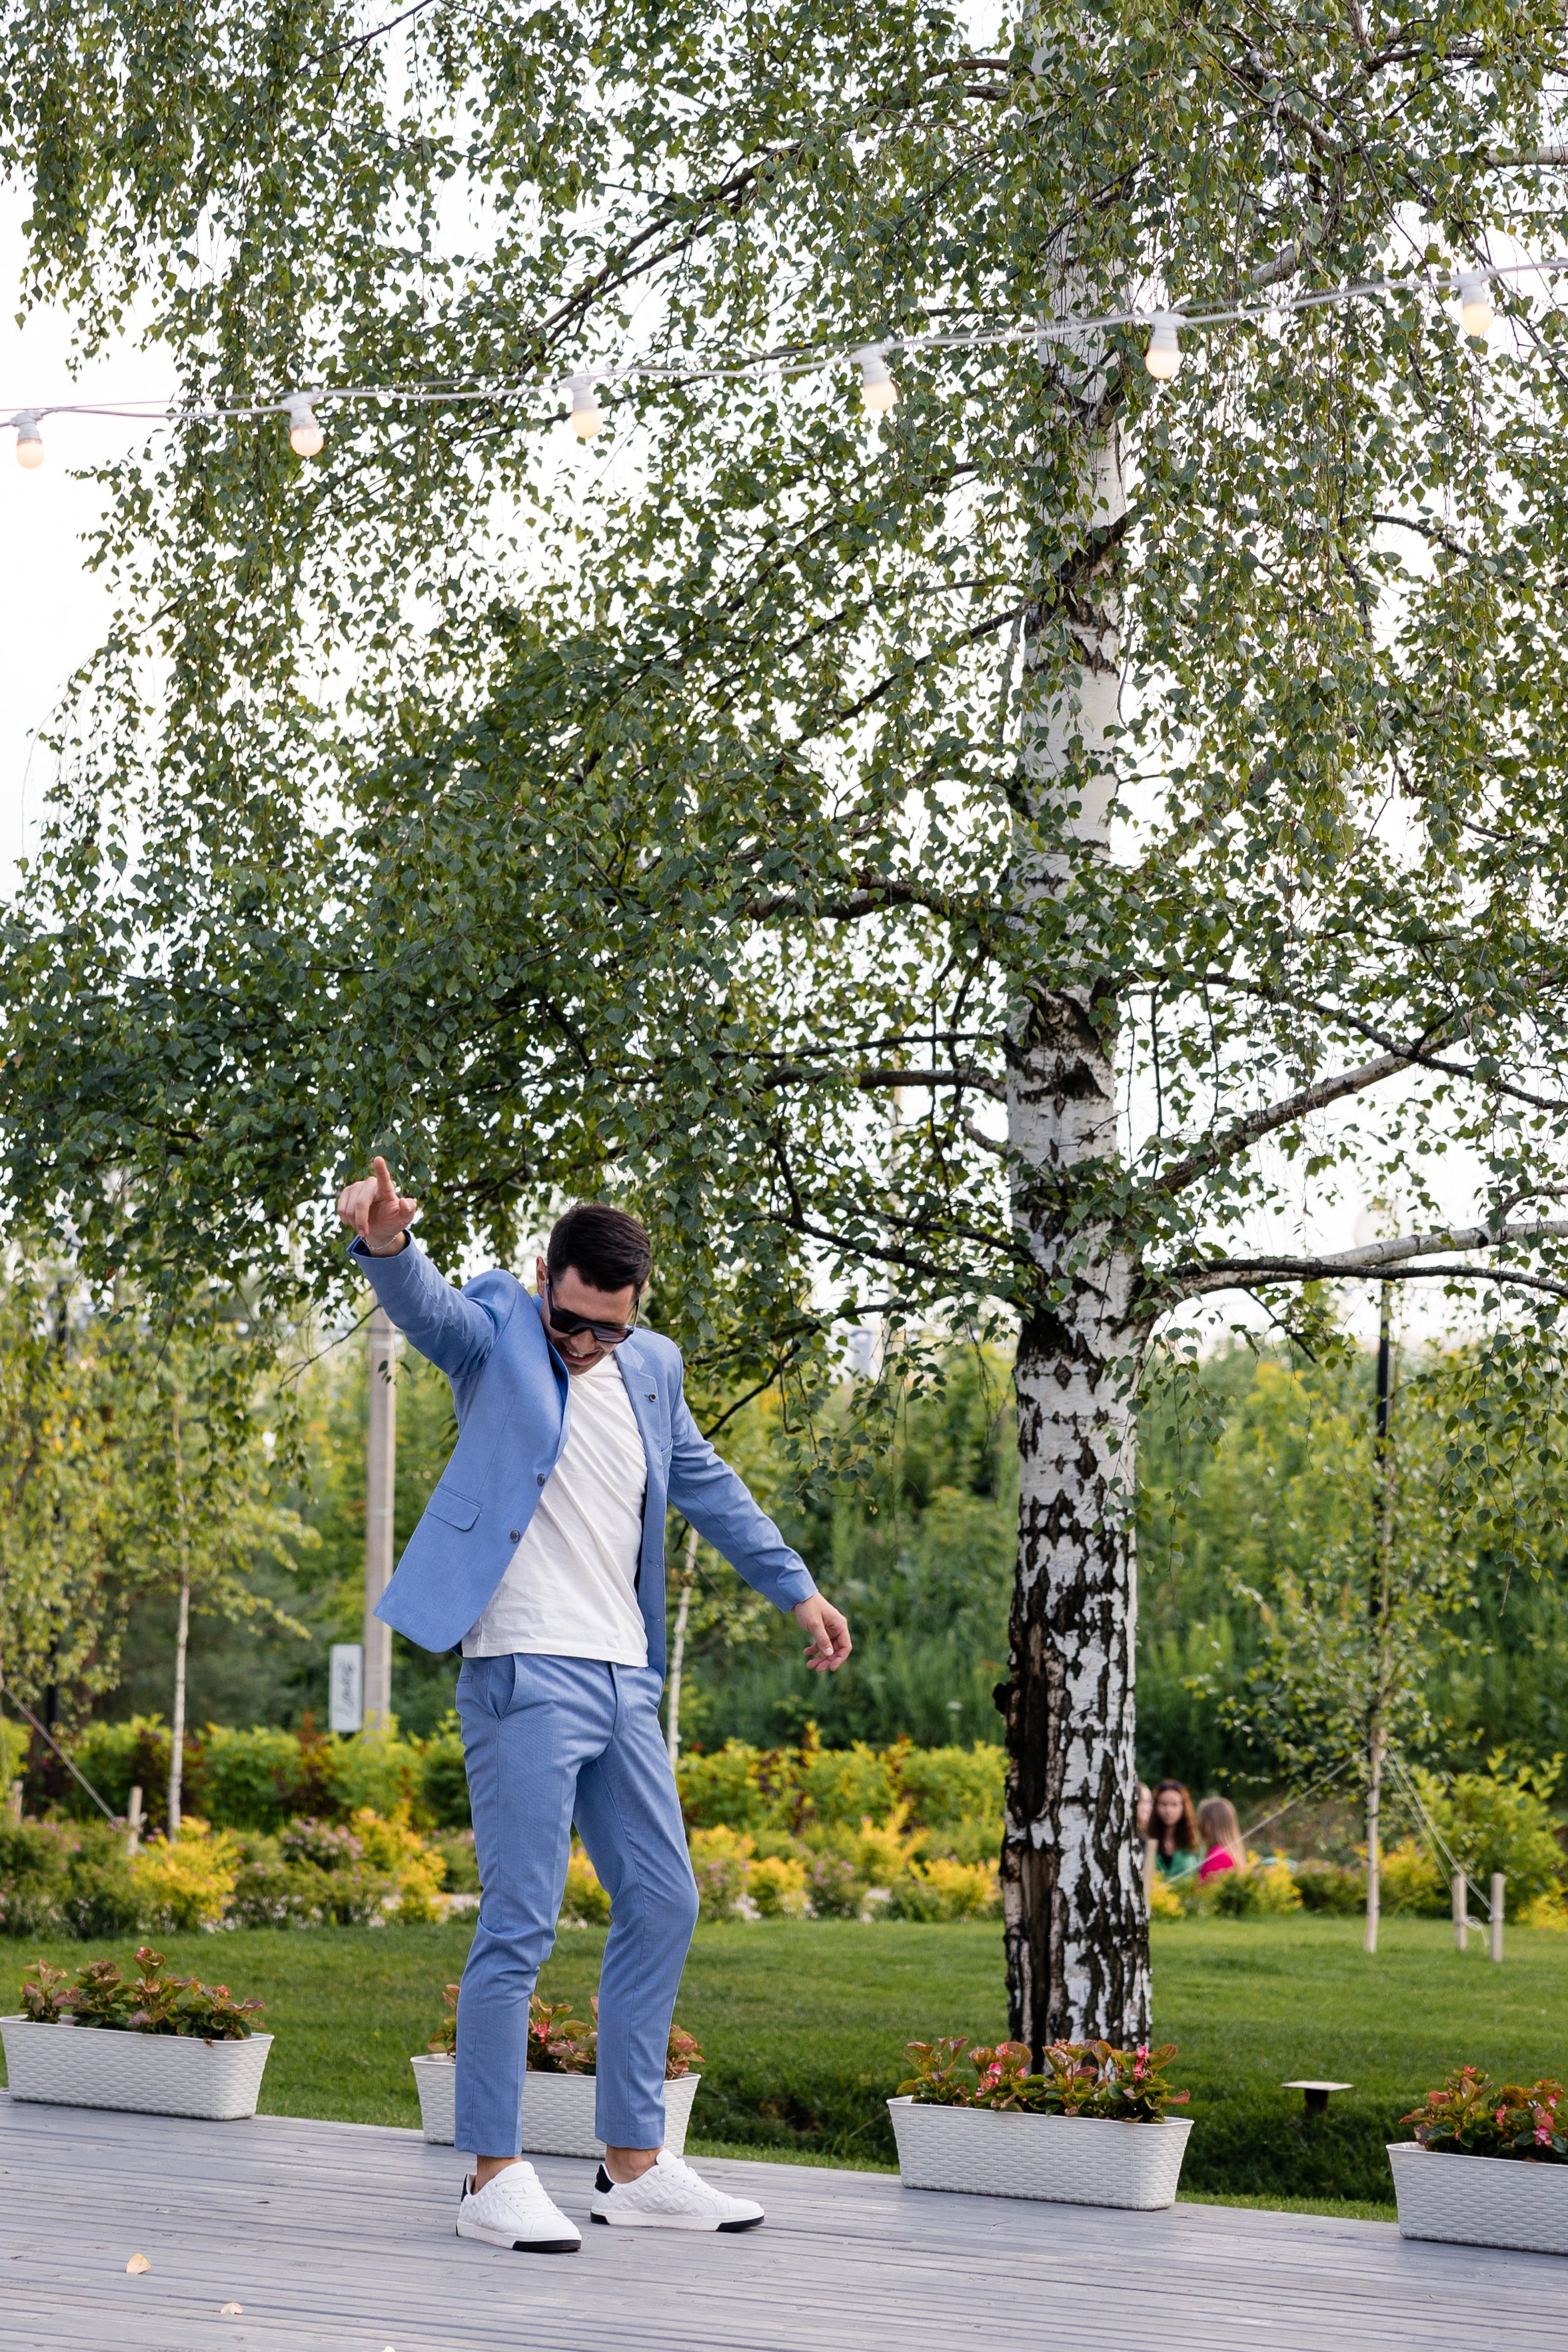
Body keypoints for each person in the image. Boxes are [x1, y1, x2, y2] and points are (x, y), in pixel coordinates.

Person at [336, 1160, 852, 2255]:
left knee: (664, 1899)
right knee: (519, 1919)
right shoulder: (498, 1326)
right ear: (543, 1278)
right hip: (522, 1664)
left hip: (624, 1673)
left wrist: (797, 1588)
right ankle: (491, 2173)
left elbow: (706, 1481)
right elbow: (426, 1311)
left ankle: (633, 2164)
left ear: (635, 1311)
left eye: (607, 1328)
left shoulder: (651, 1367)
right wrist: (386, 1245)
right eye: (570, 1320)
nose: (583, 1344)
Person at [1151, 1780, 1201, 1879]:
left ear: (1184, 1807)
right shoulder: (1147, 1837)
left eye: (1174, 1805)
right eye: (1163, 1804)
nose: (1168, 1810)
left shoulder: (1195, 1839)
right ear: (1155, 1806)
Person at [1197, 1795, 1249, 1881]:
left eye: (1201, 1820)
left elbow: (1205, 1889)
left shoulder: (1217, 1857)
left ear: (1208, 1825)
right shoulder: (1229, 1853)